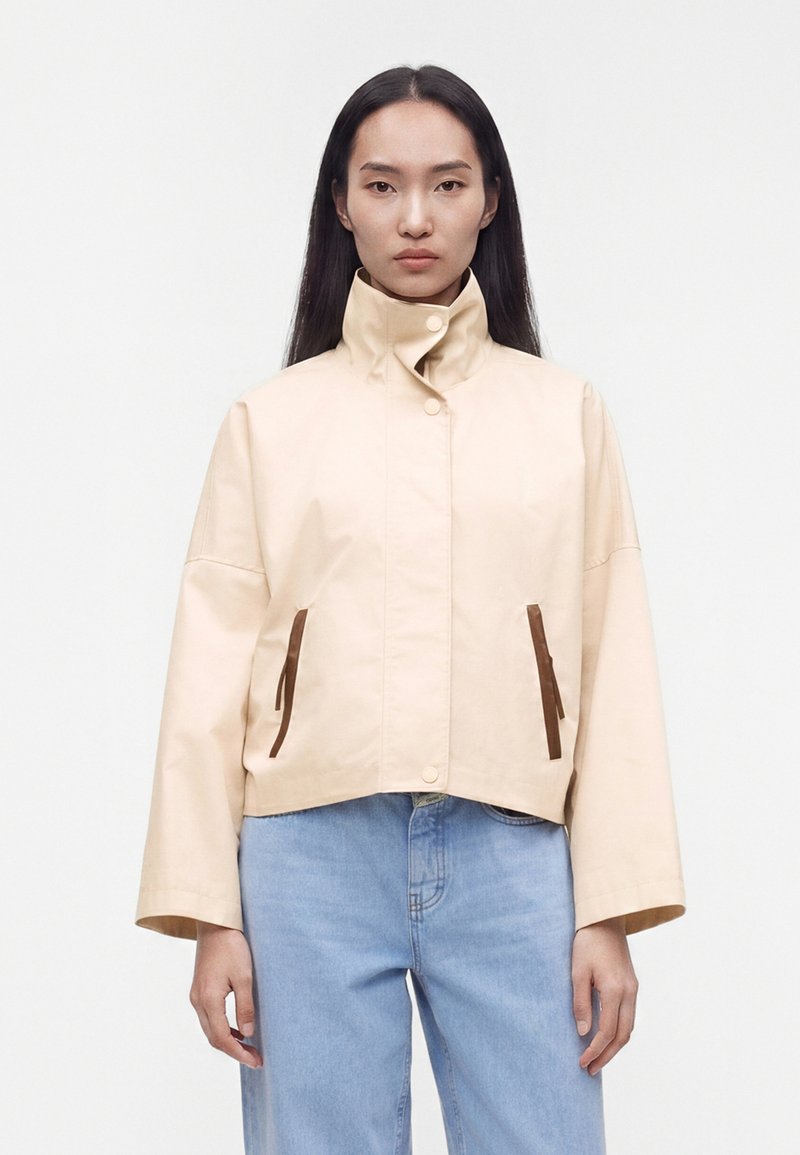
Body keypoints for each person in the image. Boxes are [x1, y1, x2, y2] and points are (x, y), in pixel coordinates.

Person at [135, 64, 686, 1154]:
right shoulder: (269, 421)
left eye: (447, 183)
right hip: (308, 856)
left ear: (491, 200)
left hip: (514, 851)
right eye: (382, 186)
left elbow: (612, 657)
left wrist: (608, 907)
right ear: (341, 204)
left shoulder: (564, 414)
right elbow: (207, 673)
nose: (416, 217)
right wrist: (210, 912)